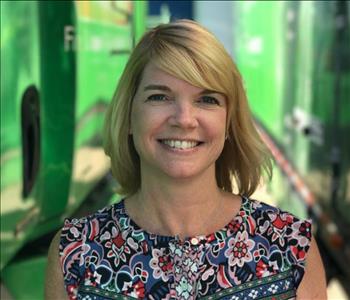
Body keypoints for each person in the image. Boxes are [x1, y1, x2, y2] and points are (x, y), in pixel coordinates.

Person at [45, 19, 327, 299]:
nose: (184, 119)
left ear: (229, 122)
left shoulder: (290, 247)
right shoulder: (75, 253)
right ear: (129, 116)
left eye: (207, 100)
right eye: (159, 97)